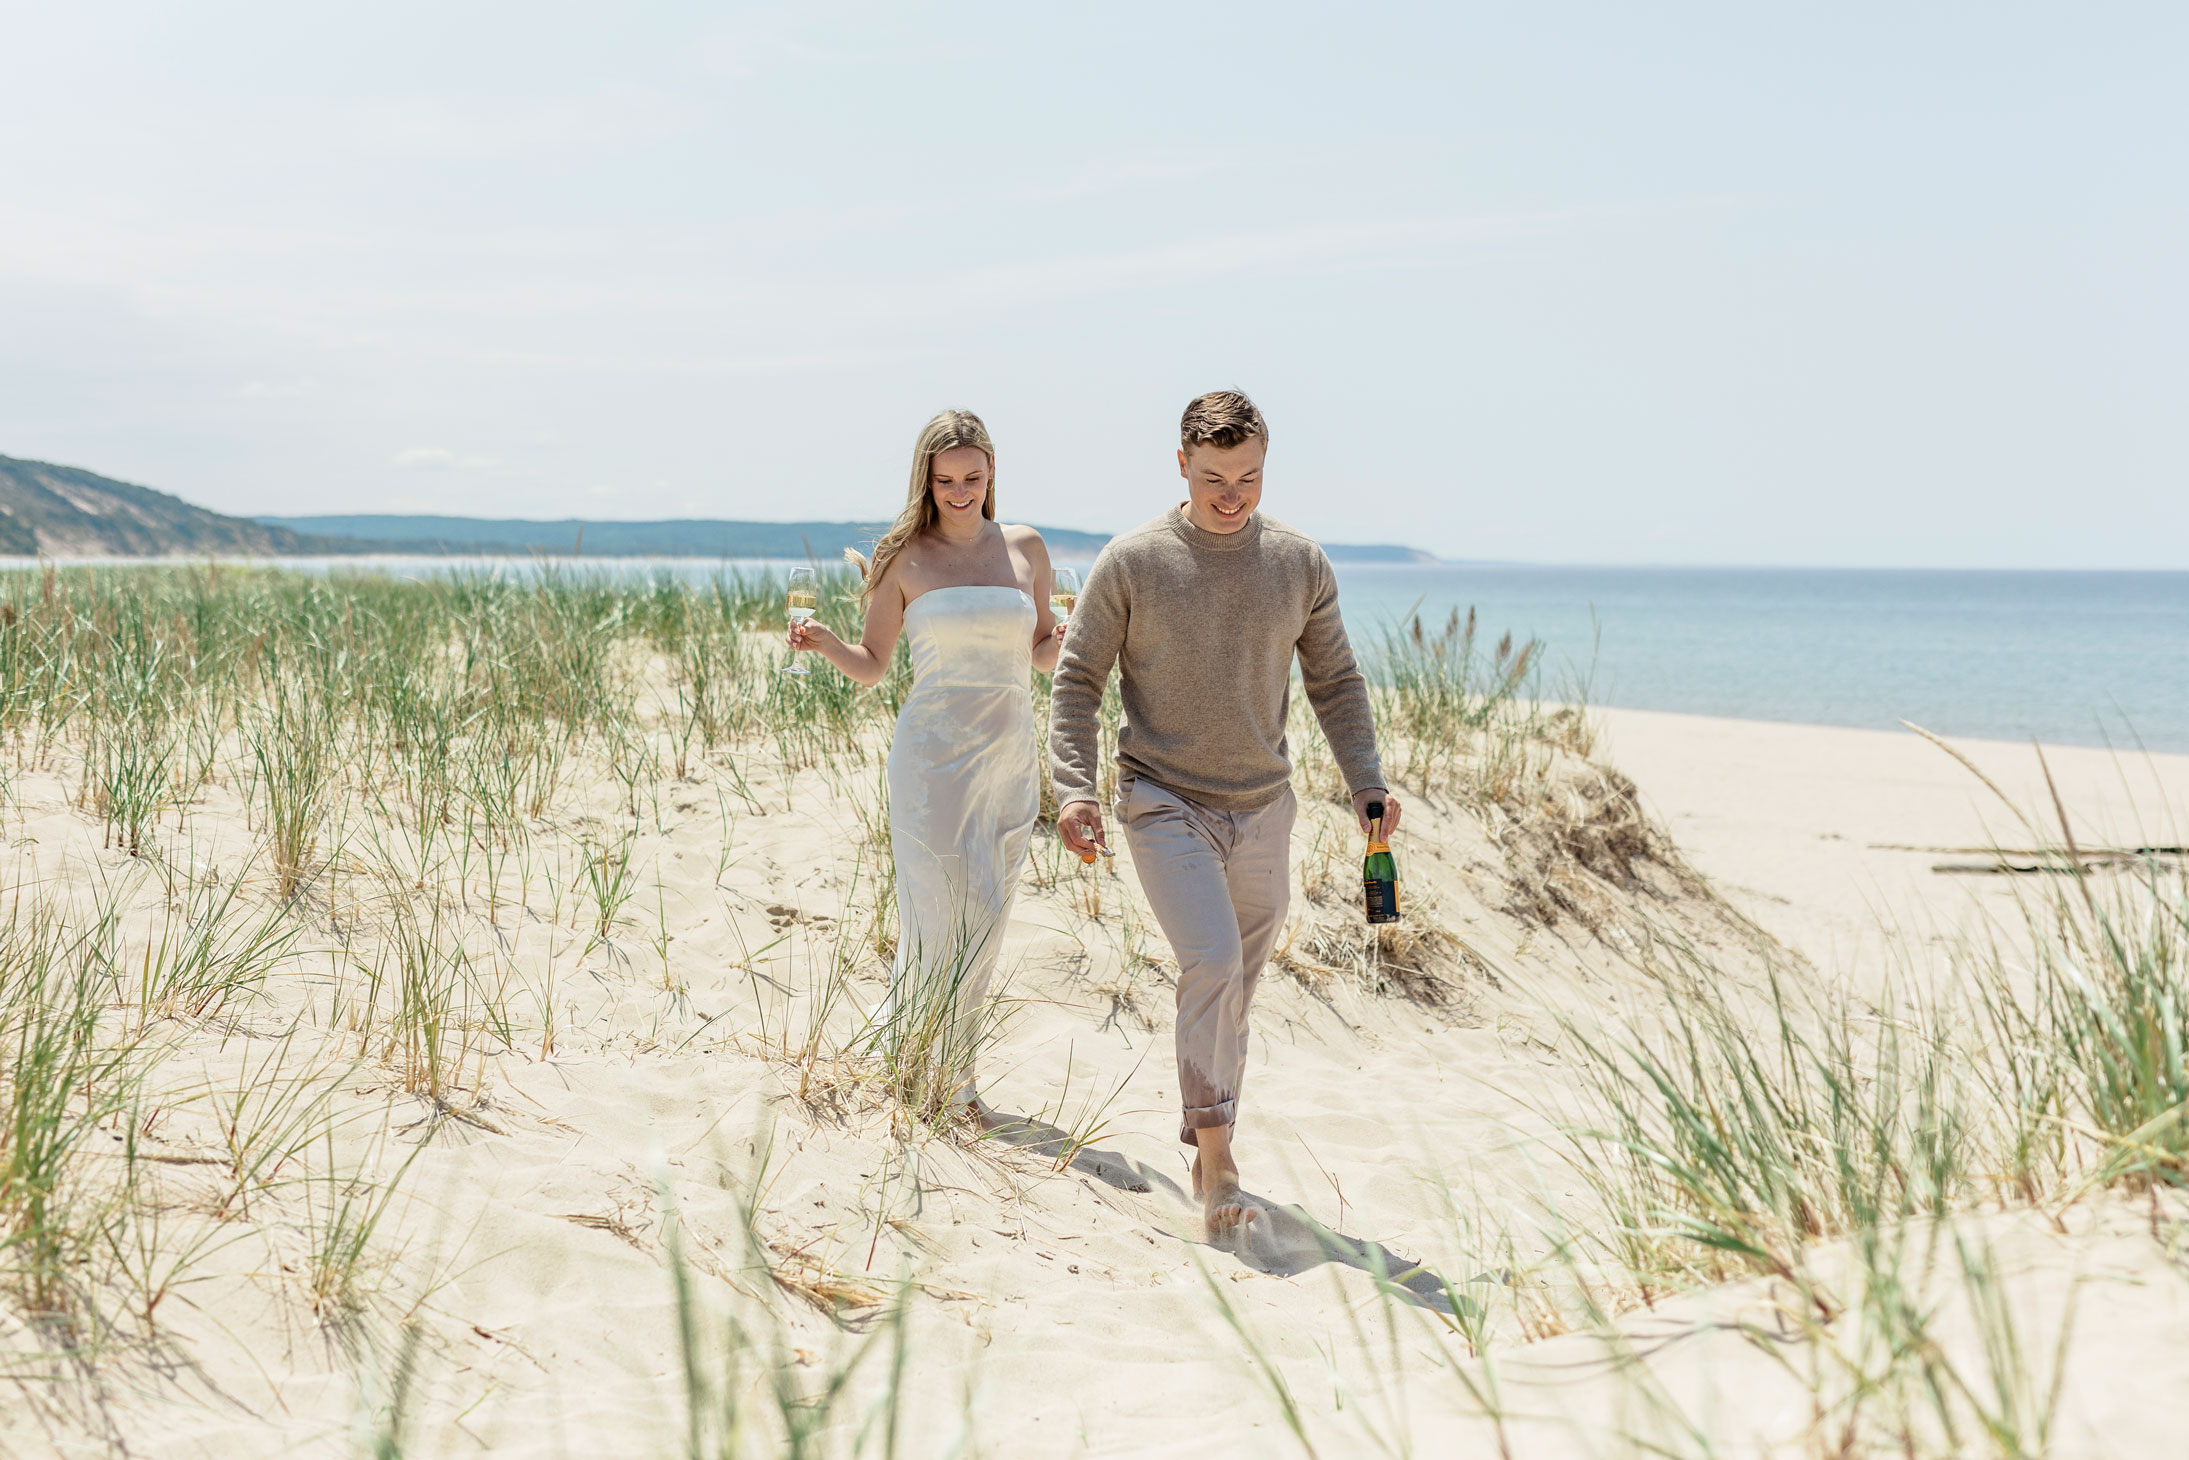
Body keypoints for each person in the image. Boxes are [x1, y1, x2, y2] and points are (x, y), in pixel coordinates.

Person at [1049, 390, 1399, 1235]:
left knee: (1236, 985)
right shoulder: (1132, 562)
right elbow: (1077, 678)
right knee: (1208, 962)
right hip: (1161, 797)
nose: (1232, 495)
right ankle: (1216, 1162)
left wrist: (1366, 782)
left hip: (1262, 807)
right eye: (1213, 478)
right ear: (1180, 465)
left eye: (1248, 476)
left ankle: (1215, 1133)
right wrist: (1073, 788)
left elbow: (1335, 682)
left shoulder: (1299, 563)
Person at [787, 409, 1063, 1116]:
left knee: (989, 912)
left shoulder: (1025, 546)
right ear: (927, 480)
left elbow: (1038, 654)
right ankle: (921, 1064)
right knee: (938, 912)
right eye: (946, 480)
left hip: (1008, 752)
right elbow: (875, 665)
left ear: (991, 472)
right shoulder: (903, 555)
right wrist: (822, 642)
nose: (961, 490)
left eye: (973, 476)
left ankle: (956, 1068)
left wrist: (1073, 635)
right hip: (933, 757)